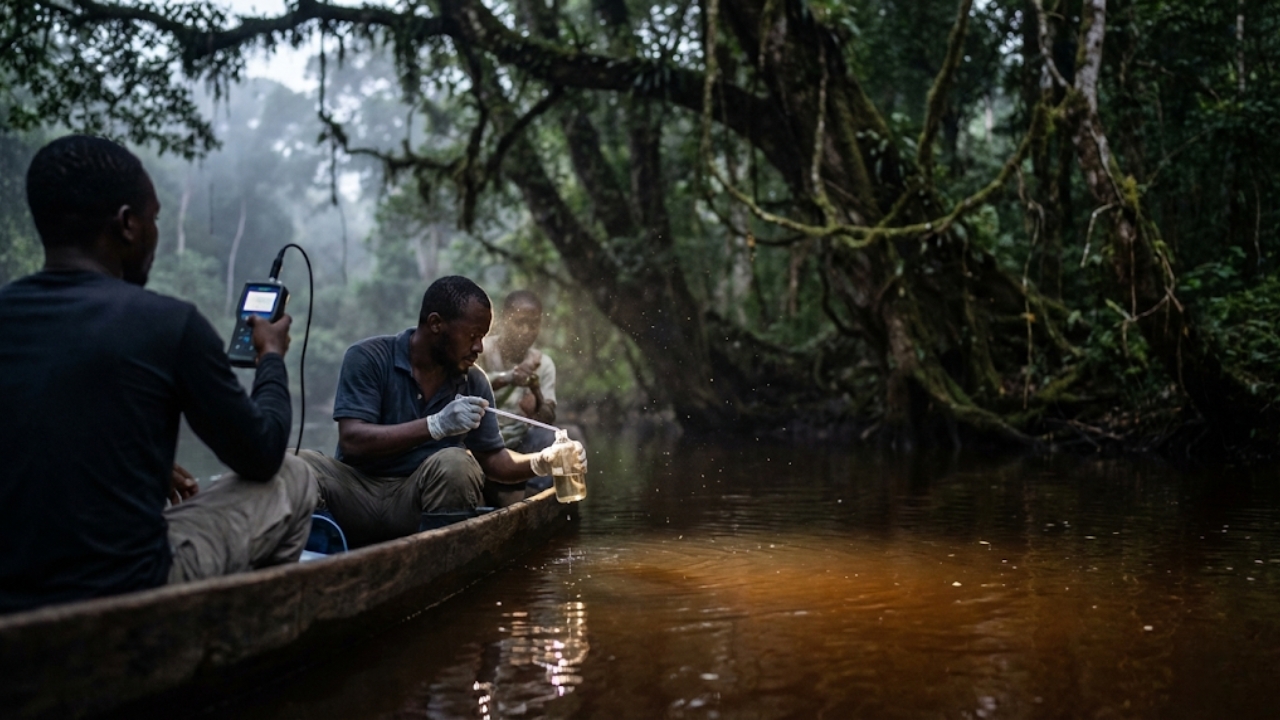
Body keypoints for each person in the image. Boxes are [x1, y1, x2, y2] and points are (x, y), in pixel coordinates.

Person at [0, 135, 317, 615]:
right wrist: (271, 356)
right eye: (154, 219)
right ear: (128, 224)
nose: (155, 233)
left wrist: (143, 464)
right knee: (293, 475)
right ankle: (246, 631)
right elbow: (263, 454)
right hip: (129, 589)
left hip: (14, 593)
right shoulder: (169, 324)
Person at [297, 276, 586, 549]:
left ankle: (436, 555)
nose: (479, 347)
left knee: (457, 463)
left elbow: (494, 460)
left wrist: (543, 461)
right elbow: (352, 440)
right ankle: (326, 547)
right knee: (297, 464)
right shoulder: (368, 358)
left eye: (483, 337)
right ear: (436, 324)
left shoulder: (474, 381)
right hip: (357, 493)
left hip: (418, 501)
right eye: (472, 336)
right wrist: (435, 425)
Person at [481, 290, 559, 459]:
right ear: (504, 319)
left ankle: (533, 478)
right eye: (519, 323)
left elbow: (548, 419)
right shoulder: (481, 350)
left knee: (555, 439)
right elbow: (465, 390)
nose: (526, 331)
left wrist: (536, 390)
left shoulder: (543, 364)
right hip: (480, 440)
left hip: (520, 442)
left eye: (533, 325)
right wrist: (509, 377)